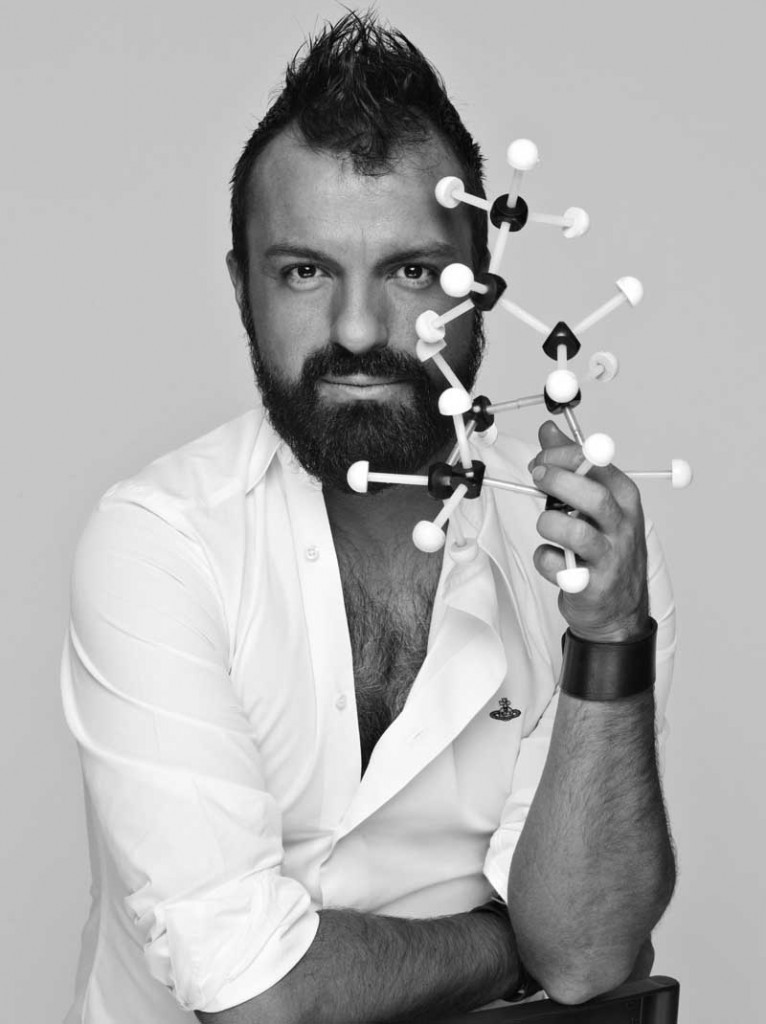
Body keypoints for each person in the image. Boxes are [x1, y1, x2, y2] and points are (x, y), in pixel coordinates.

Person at [61, 12, 677, 1024]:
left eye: (410, 271)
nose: (356, 330)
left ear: (481, 283)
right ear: (243, 289)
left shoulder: (578, 560)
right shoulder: (159, 544)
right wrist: (503, 945)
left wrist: (610, 638)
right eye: (304, 271)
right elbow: (258, 1000)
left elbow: (581, 954)